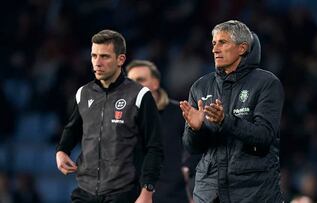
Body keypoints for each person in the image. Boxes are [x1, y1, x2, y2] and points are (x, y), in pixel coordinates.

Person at [180, 20, 284, 202]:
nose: (215, 49)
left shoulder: (266, 83)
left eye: (223, 42)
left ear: (242, 48)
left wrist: (224, 121)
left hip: (253, 191)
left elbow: (265, 135)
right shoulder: (201, 86)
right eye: (213, 43)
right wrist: (195, 129)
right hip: (209, 191)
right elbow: (192, 147)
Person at [55, 29, 163, 203]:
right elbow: (72, 128)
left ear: (121, 59)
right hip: (84, 192)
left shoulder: (140, 95)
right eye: (94, 56)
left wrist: (147, 190)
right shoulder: (83, 93)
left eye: (104, 56)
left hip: (122, 193)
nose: (97, 62)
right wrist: (62, 150)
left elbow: (155, 147)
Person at [126, 60, 199, 203]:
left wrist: (188, 172)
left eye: (140, 80)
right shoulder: (123, 119)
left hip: (175, 195)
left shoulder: (180, 113)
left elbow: (199, 147)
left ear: (155, 83)